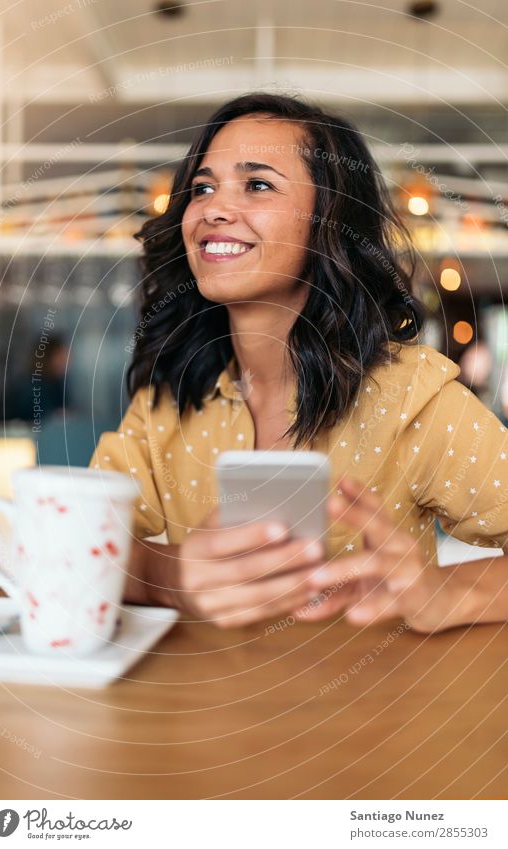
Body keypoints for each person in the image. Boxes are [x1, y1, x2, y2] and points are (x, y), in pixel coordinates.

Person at [90, 92, 508, 633]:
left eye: (258, 184)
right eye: (203, 187)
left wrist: (446, 593)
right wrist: (166, 576)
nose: (214, 208)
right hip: (188, 714)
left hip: (368, 714)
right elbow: (79, 540)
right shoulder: (168, 400)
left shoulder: (411, 398)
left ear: (328, 221)